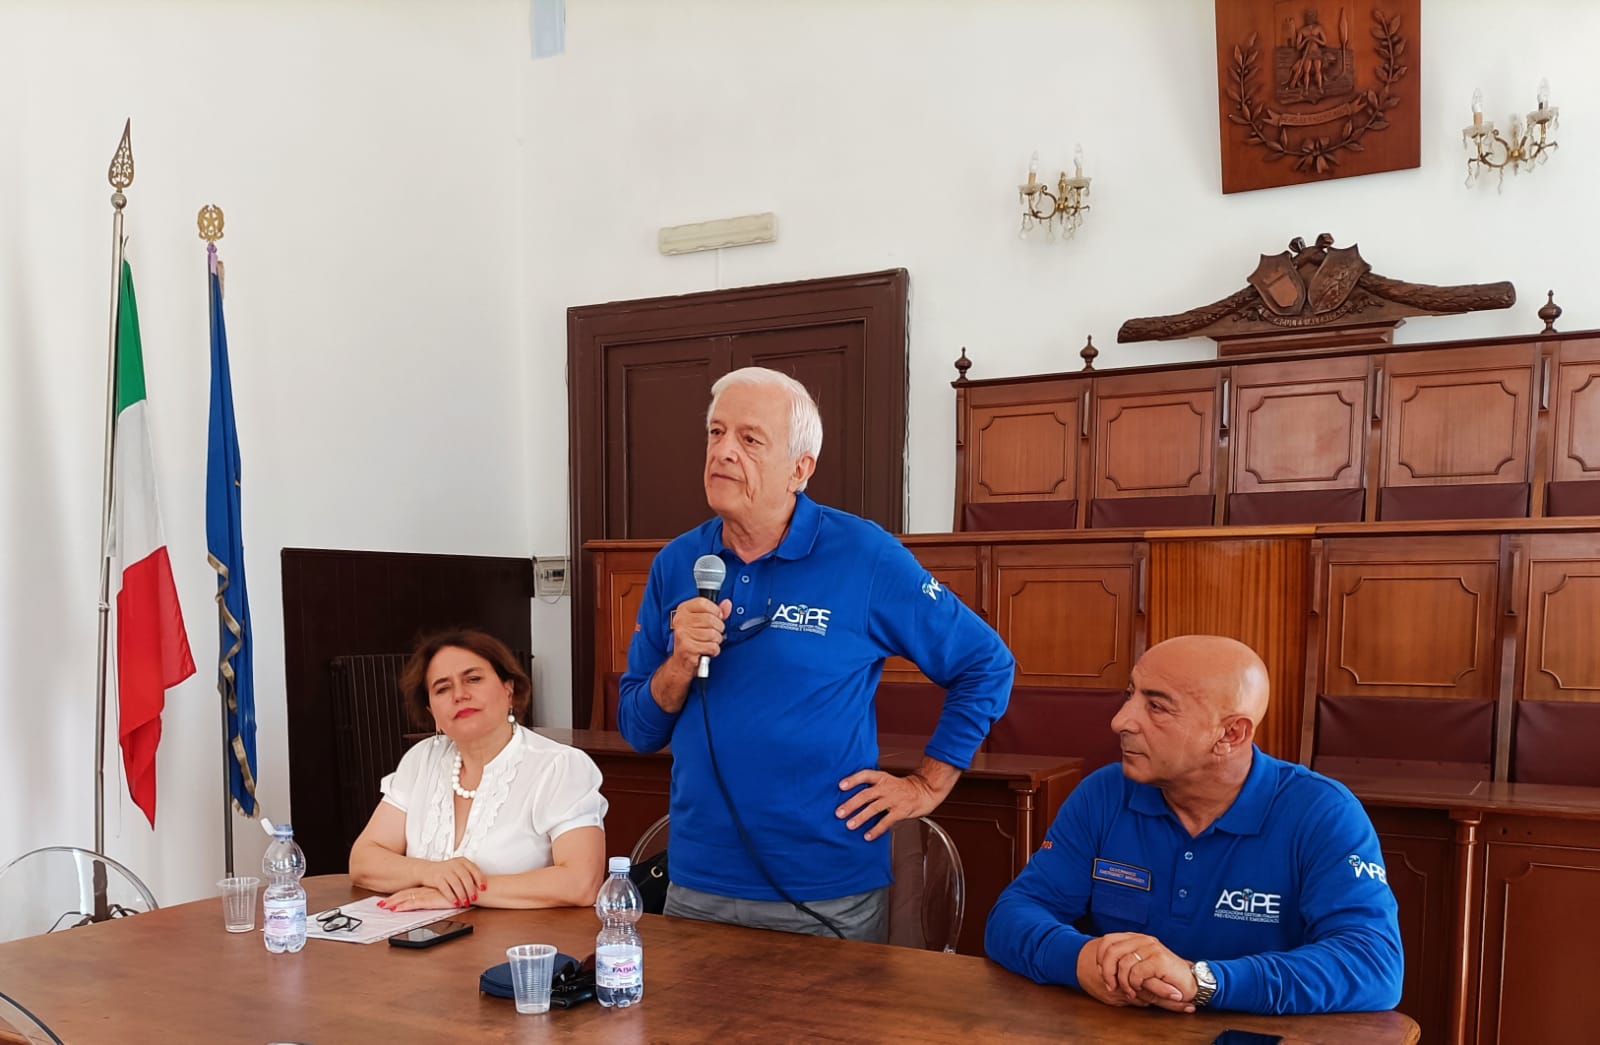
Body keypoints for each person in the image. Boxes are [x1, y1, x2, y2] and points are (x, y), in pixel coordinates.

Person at [618, 366, 1014, 942]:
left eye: (750, 439)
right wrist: (679, 661)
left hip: (825, 893)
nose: (724, 451)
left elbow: (986, 663)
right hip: (696, 885)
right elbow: (638, 730)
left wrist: (926, 785)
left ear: (799, 469)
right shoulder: (679, 564)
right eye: (715, 433)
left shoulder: (866, 555)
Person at [985, 635, 1402, 1015]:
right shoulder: (1105, 794)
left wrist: (1202, 981)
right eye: (1131, 695)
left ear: (1231, 735)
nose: (1121, 721)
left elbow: (1373, 964)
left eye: (1156, 706)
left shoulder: (1322, 812)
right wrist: (1082, 960)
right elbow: (1012, 916)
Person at [350, 628, 607, 911]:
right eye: (442, 688)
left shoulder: (559, 766)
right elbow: (363, 861)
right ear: (430, 710)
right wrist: (431, 872)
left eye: (473, 679)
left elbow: (581, 883)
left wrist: (460, 893)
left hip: (526, 946)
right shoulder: (421, 759)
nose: (459, 695)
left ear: (508, 689)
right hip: (424, 940)